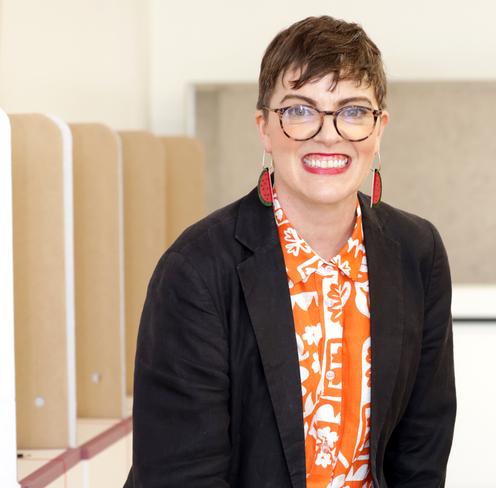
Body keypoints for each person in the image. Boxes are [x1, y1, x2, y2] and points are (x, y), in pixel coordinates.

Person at [125, 15, 455, 488]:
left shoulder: (418, 253)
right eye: (300, 111)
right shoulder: (197, 268)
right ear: (264, 128)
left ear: (379, 128)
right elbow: (181, 475)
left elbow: (422, 451)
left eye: (353, 111)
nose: (328, 134)